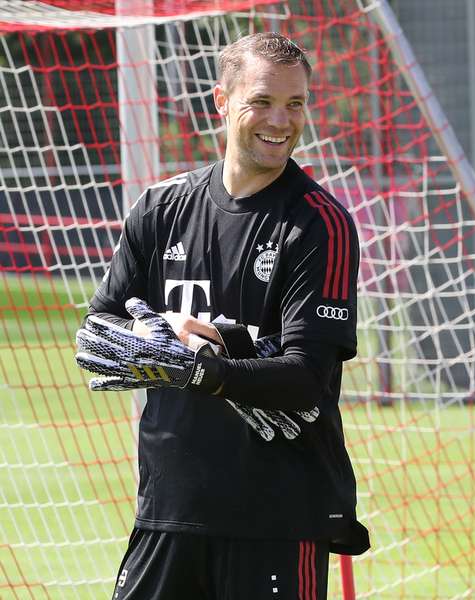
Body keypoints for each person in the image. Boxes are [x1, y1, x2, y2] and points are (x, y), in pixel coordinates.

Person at [74, 32, 368, 599]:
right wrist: (154, 332)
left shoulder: (317, 225)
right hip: (167, 511)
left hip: (276, 522)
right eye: (261, 101)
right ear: (222, 100)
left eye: (296, 103)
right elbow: (95, 335)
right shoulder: (161, 210)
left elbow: (307, 378)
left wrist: (203, 368)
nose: (280, 121)